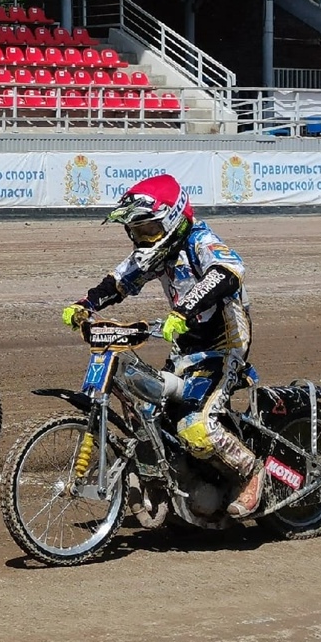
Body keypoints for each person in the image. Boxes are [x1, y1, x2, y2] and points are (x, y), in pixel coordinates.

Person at [61, 173, 263, 518]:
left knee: (195, 427)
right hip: (184, 347)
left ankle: (252, 472)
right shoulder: (157, 250)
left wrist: (184, 309)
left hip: (223, 345)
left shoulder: (200, 239)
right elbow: (120, 280)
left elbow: (228, 271)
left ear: (171, 220)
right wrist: (86, 304)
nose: (142, 240)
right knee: (151, 415)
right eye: (136, 233)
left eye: (148, 230)